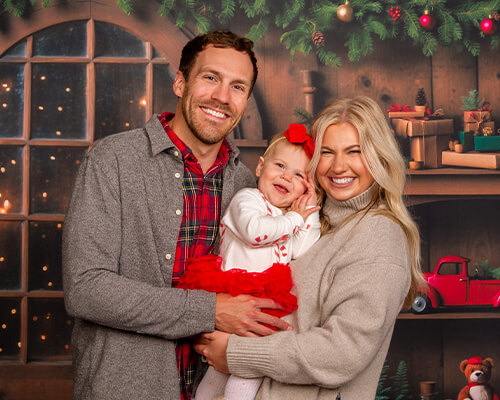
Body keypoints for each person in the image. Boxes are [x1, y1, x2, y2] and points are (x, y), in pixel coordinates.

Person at [62, 30, 291, 400]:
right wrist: (211, 310)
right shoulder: (112, 161)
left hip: (212, 388)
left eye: (237, 87)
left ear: (246, 101)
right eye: (211, 78)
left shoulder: (247, 185)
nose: (221, 97)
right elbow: (86, 290)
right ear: (181, 82)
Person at [193, 96, 425, 400]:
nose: (338, 165)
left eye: (354, 152)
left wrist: (237, 353)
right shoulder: (314, 219)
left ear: (378, 157)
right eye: (327, 152)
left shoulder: (378, 235)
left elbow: (341, 353)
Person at [179, 123, 321, 400]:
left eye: (298, 175)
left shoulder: (288, 220)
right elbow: (256, 232)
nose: (286, 177)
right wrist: (295, 218)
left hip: (263, 311)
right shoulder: (248, 200)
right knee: (216, 378)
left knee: (244, 378)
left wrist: (310, 211)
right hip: (232, 300)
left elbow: (304, 248)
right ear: (259, 168)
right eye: (279, 165)